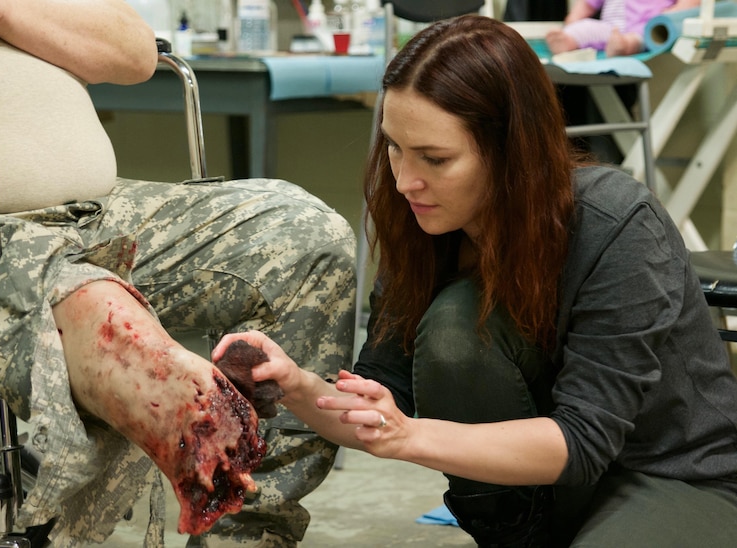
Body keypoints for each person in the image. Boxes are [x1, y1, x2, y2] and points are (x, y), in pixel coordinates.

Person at [214, 14, 737, 548]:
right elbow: (379, 406)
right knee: (455, 324)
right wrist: (299, 386)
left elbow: (583, 440)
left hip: (669, 473)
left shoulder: (618, 223)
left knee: (459, 323)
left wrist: (412, 436)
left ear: (513, 152)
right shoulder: (423, 223)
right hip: (537, 495)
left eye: (436, 159)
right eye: (394, 146)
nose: (403, 180)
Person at [0, 0, 355, 546]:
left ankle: (242, 531)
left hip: (101, 212)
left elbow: (135, 53)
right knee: (72, 288)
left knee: (305, 234)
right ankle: (135, 364)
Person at [545, 0, 700, 57]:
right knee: (586, 27)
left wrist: (671, 15)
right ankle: (567, 40)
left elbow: (690, 3)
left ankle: (626, 46)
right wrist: (573, 19)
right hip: (610, 28)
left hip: (649, 25)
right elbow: (588, 4)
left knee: (642, 35)